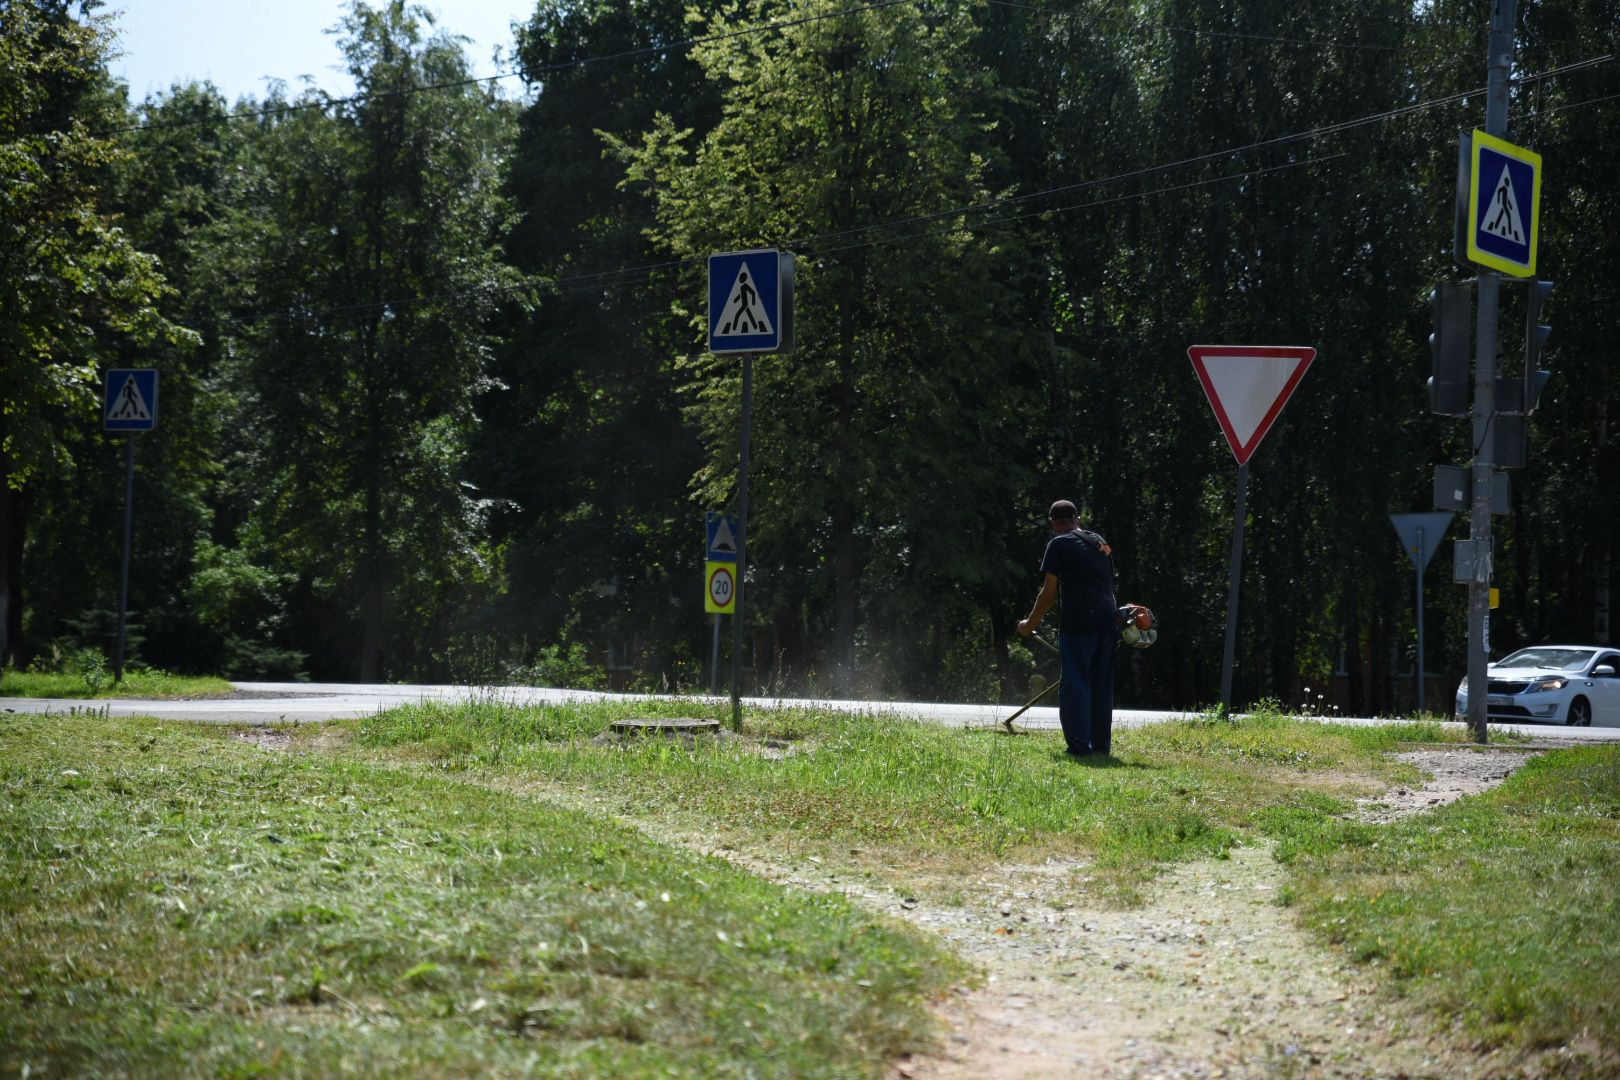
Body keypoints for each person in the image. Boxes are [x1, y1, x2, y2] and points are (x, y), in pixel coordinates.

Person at [1017, 499, 1118, 757]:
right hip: (1108, 620)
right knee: (1100, 684)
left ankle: (1079, 747)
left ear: (1053, 524)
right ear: (1078, 519)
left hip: (1078, 623)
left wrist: (1029, 625)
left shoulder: (1058, 544)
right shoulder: (1098, 541)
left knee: (1075, 683)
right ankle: (1101, 747)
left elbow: (1049, 593)